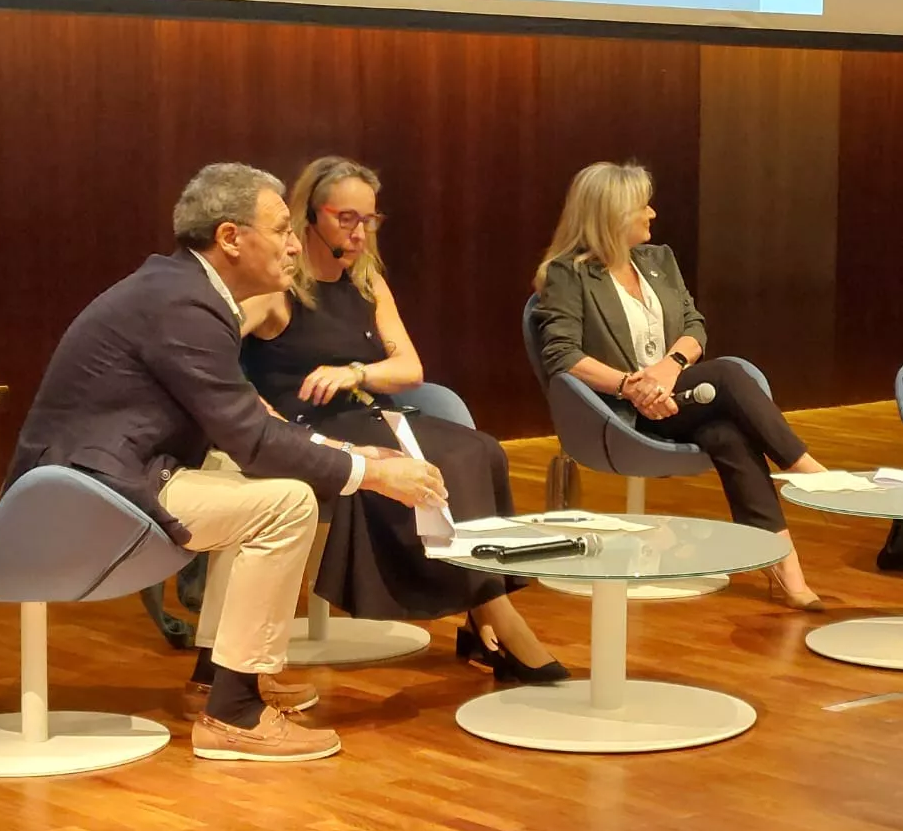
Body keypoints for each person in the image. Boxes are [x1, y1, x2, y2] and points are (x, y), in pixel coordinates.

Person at [3, 162, 447, 762]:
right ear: (231, 238)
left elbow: (247, 427)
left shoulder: (185, 291)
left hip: (113, 476)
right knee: (284, 503)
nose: (295, 244)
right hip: (76, 497)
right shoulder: (183, 305)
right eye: (281, 229)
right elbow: (250, 436)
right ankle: (234, 715)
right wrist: (374, 473)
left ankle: (216, 677)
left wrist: (347, 451)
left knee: (258, 481)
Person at [238, 156, 568, 683]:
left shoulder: (366, 282)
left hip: (364, 413)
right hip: (308, 430)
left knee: (480, 449)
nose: (360, 232)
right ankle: (499, 620)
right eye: (346, 219)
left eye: (369, 220)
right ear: (310, 216)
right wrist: (255, 408)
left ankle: (485, 611)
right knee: (440, 460)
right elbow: (210, 354)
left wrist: (354, 372)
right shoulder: (278, 291)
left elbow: (409, 368)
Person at [533, 161, 827, 611]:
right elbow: (562, 355)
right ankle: (811, 474)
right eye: (642, 206)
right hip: (619, 412)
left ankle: (786, 569)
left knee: (725, 434)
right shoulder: (567, 274)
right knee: (727, 374)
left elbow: (694, 326)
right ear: (612, 214)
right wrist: (632, 386)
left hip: (676, 398)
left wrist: (669, 368)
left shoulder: (658, 261)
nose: (652, 213)